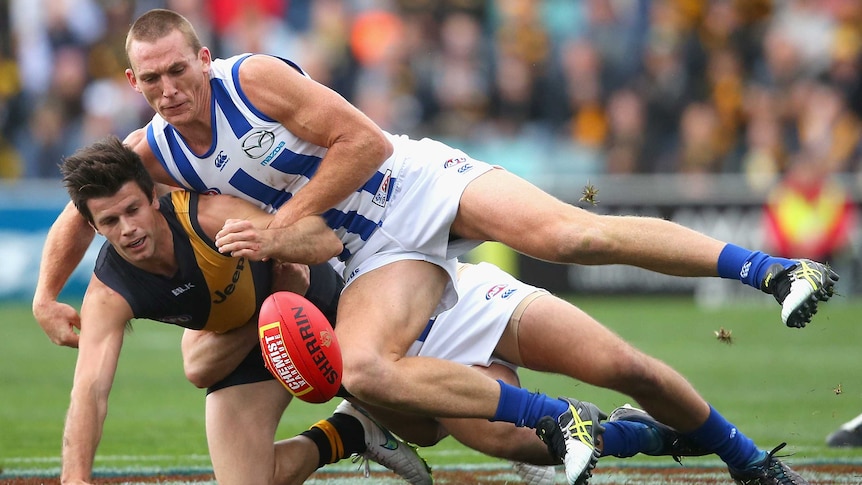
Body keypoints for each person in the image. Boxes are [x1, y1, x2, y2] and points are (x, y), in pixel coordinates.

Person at [34, 9, 838, 485]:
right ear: (135, 83)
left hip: (413, 182)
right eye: (151, 80)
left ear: (202, 58)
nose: (168, 90)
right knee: (369, 372)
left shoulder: (251, 84)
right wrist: (46, 291)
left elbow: (366, 144)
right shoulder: (154, 150)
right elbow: (85, 201)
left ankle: (769, 269)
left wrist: (282, 226)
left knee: (573, 232)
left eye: (178, 70)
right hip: (373, 257)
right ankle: (563, 424)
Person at [56, 136, 432, 485]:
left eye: (133, 210)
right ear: (93, 226)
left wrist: (273, 241)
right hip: (246, 334)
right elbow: (89, 390)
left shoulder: (207, 218)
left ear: (153, 197)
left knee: (427, 428)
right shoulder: (109, 292)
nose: (128, 230)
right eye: (109, 221)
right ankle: (350, 431)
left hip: (309, 307)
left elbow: (323, 240)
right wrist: (74, 479)